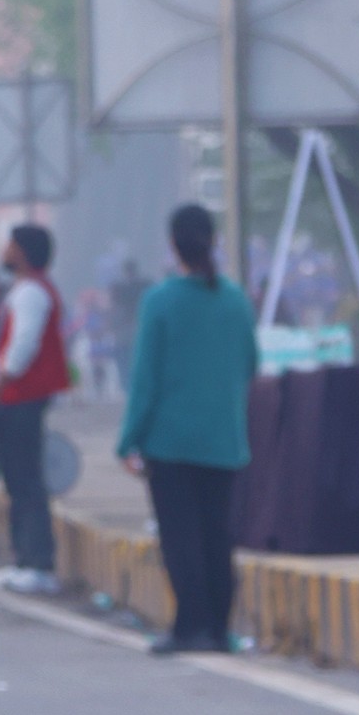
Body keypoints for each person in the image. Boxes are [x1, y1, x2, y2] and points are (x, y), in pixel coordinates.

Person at [117, 202, 256, 654]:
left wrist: (129, 439)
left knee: (181, 538)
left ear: (173, 245)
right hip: (224, 440)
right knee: (218, 535)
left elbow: (146, 381)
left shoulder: (160, 301)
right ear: (213, 241)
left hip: (170, 443)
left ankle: (189, 627)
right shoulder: (236, 301)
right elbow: (250, 364)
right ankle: (219, 629)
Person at [0, 220, 68, 598]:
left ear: (21, 252)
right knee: (17, 478)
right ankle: (24, 560)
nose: (4, 250)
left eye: (9, 244)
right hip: (18, 396)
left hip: (22, 396)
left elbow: (22, 348)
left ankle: (38, 563)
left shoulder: (31, 292)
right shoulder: (23, 289)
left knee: (26, 479)